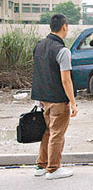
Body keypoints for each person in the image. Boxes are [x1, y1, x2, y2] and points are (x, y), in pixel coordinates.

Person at [31, 14, 78, 180]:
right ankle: (53, 169)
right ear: (64, 27)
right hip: (58, 99)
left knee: (48, 132)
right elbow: (66, 80)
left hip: (43, 97)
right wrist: (73, 103)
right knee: (57, 134)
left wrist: (37, 98)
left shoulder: (39, 45)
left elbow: (38, 72)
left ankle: (40, 165)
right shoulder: (62, 51)